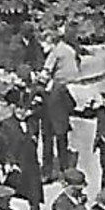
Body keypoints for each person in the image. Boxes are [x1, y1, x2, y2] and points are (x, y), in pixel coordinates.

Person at [39, 34, 81, 178]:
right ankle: (65, 170)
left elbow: (44, 74)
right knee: (62, 141)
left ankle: (47, 172)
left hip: (52, 106)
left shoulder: (55, 53)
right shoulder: (69, 50)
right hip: (65, 103)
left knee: (48, 141)